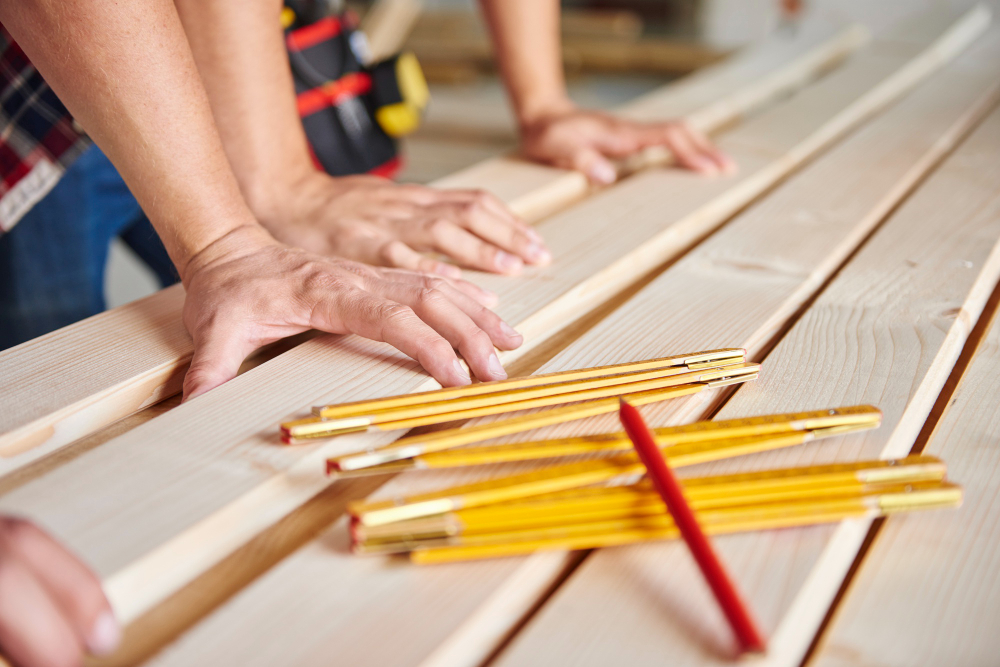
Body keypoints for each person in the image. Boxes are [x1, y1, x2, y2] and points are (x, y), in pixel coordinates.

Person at [0, 1, 731, 665]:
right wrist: (234, 232)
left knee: (272, 321)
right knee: (64, 406)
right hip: (50, 60)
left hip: (244, 34)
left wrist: (542, 101)